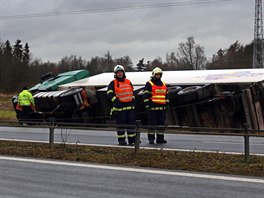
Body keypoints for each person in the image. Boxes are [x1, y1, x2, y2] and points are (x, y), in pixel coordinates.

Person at [107, 65, 136, 145]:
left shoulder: (128, 81)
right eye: (118, 72)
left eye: (121, 72)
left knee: (131, 125)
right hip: (120, 109)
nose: (120, 74)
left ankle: (132, 140)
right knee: (121, 126)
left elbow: (132, 91)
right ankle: (122, 140)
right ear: (116, 74)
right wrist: (115, 100)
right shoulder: (113, 83)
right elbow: (109, 94)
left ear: (123, 73)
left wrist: (133, 98)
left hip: (129, 108)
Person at [143, 67, 169, 144]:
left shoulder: (164, 84)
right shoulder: (149, 83)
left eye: (159, 74)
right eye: (157, 74)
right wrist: (147, 105)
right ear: (154, 75)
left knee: (161, 124)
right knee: (152, 124)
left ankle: (160, 139)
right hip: (152, 108)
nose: (158, 76)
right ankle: (151, 139)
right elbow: (146, 96)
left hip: (162, 108)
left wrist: (167, 104)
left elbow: (166, 96)